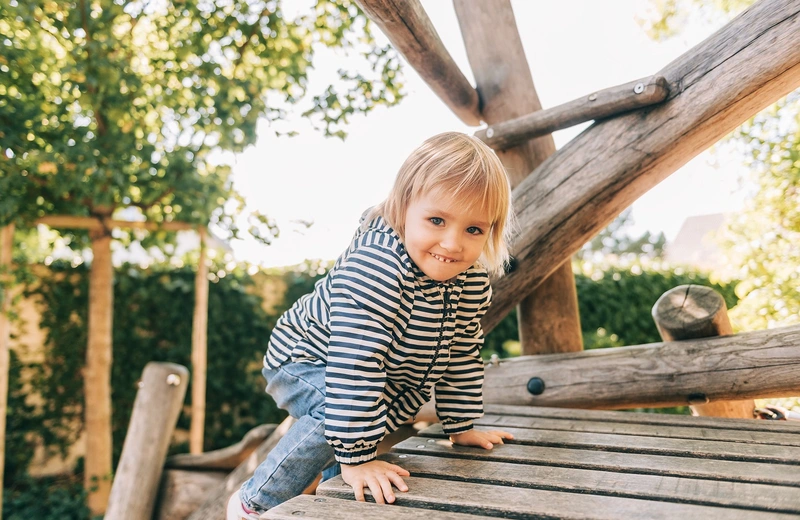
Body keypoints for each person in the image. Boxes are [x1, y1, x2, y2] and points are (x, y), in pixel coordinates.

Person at [227, 132, 515, 519]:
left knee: (360, 421)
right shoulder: (377, 269)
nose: (452, 243)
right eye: (436, 220)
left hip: (367, 370)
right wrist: (359, 458)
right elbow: (355, 366)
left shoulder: (471, 282)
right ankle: (255, 502)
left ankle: (335, 498)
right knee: (337, 412)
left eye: (474, 230)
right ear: (402, 207)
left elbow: (462, 353)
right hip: (304, 358)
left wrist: (460, 425)